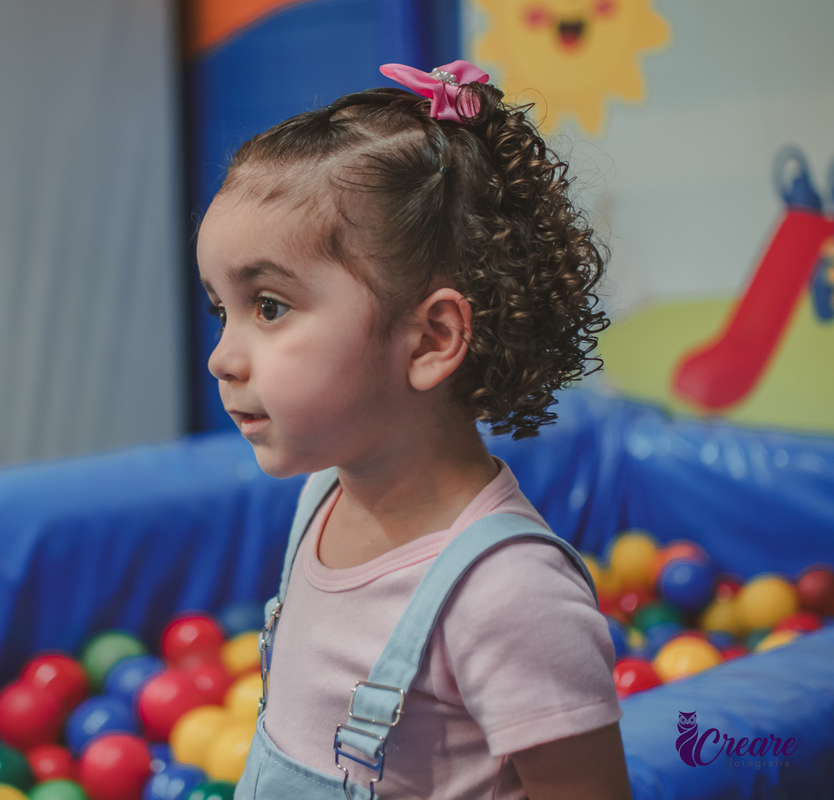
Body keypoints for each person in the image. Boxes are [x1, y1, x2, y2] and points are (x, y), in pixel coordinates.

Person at [196, 61, 631, 800]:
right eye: (220, 310)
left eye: (268, 306)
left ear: (431, 339)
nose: (220, 358)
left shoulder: (508, 596)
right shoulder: (322, 498)